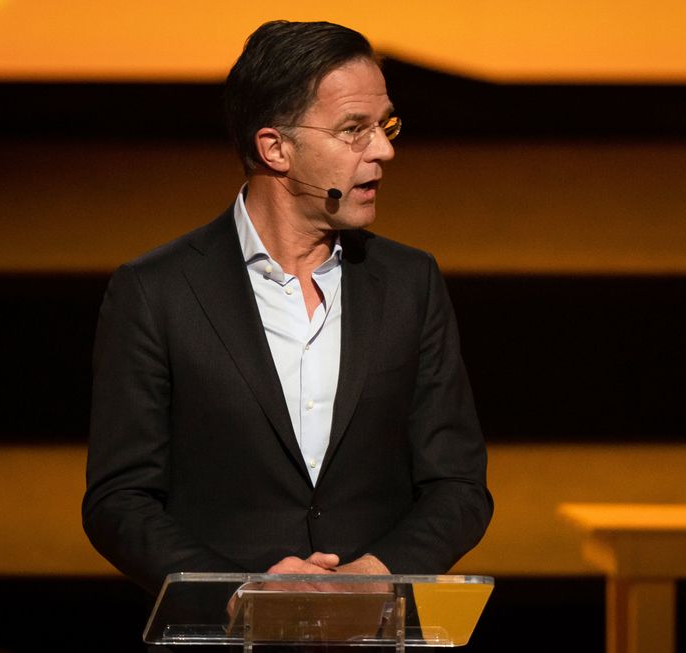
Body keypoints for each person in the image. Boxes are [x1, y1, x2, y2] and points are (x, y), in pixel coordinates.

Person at [82, 19, 493, 596]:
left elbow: (459, 486)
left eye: (386, 125)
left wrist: (370, 577)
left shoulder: (409, 282)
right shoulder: (157, 292)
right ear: (275, 148)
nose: (384, 150)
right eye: (354, 130)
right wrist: (241, 590)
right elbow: (118, 500)